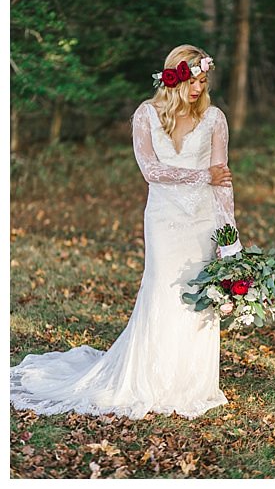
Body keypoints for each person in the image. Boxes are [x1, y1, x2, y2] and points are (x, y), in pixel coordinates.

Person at [10, 44, 239, 420]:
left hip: (202, 219)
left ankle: (191, 383)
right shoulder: (145, 115)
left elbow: (222, 180)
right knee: (163, 287)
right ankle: (150, 379)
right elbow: (151, 170)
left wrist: (230, 239)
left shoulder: (215, 118)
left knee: (201, 290)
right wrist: (201, 176)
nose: (199, 88)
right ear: (175, 78)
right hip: (164, 217)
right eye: (194, 80)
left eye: (204, 80)